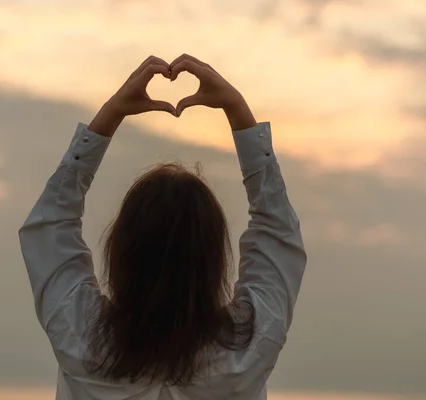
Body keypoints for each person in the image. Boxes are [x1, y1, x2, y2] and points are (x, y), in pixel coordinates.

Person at [18, 54, 307, 400]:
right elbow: (277, 233)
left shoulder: (82, 339)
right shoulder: (247, 350)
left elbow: (50, 227)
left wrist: (111, 113)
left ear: (122, 251)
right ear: (213, 258)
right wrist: (236, 108)